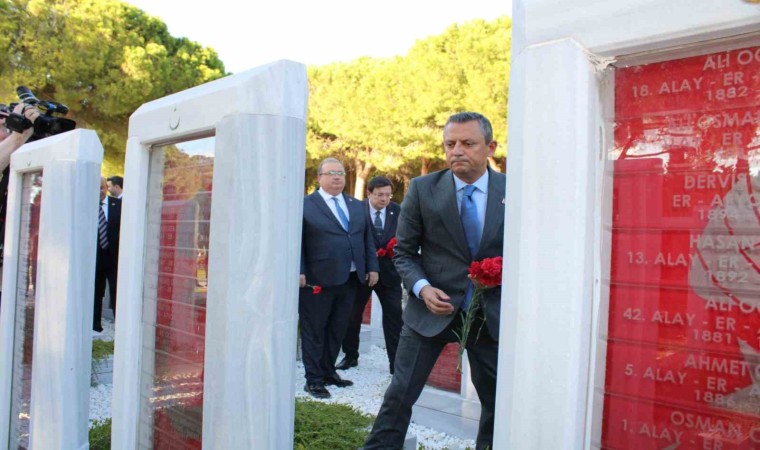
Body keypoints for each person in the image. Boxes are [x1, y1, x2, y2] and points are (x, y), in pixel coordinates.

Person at [363, 112, 505, 450]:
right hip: (429, 313)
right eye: (449, 144)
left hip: (490, 315)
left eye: (467, 143)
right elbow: (404, 252)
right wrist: (422, 288)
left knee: (497, 402)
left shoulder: (514, 190)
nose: (457, 151)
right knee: (400, 393)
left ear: (490, 147)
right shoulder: (423, 189)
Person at [299, 157, 380, 399]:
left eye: (341, 173)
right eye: (331, 173)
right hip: (317, 280)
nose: (337, 177)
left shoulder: (356, 205)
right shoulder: (305, 205)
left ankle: (328, 372)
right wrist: (298, 270)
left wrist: (372, 267)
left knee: (338, 328)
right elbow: (297, 241)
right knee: (315, 331)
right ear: (319, 178)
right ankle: (313, 380)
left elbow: (367, 238)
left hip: (350, 279)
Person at [336, 176, 403, 374]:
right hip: (361, 273)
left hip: (390, 274)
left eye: (388, 195)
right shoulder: (356, 210)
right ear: (369, 193)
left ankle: (396, 364)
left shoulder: (398, 211)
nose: (384, 199)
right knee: (352, 315)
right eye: (380, 195)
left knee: (394, 318)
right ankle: (350, 356)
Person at [93, 177, 121, 332]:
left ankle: (120, 326)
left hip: (114, 258)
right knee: (96, 292)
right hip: (95, 258)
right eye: (95, 188)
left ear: (107, 188)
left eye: (102, 188)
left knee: (116, 291)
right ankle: (95, 326)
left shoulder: (118, 204)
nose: (99, 191)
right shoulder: (85, 206)